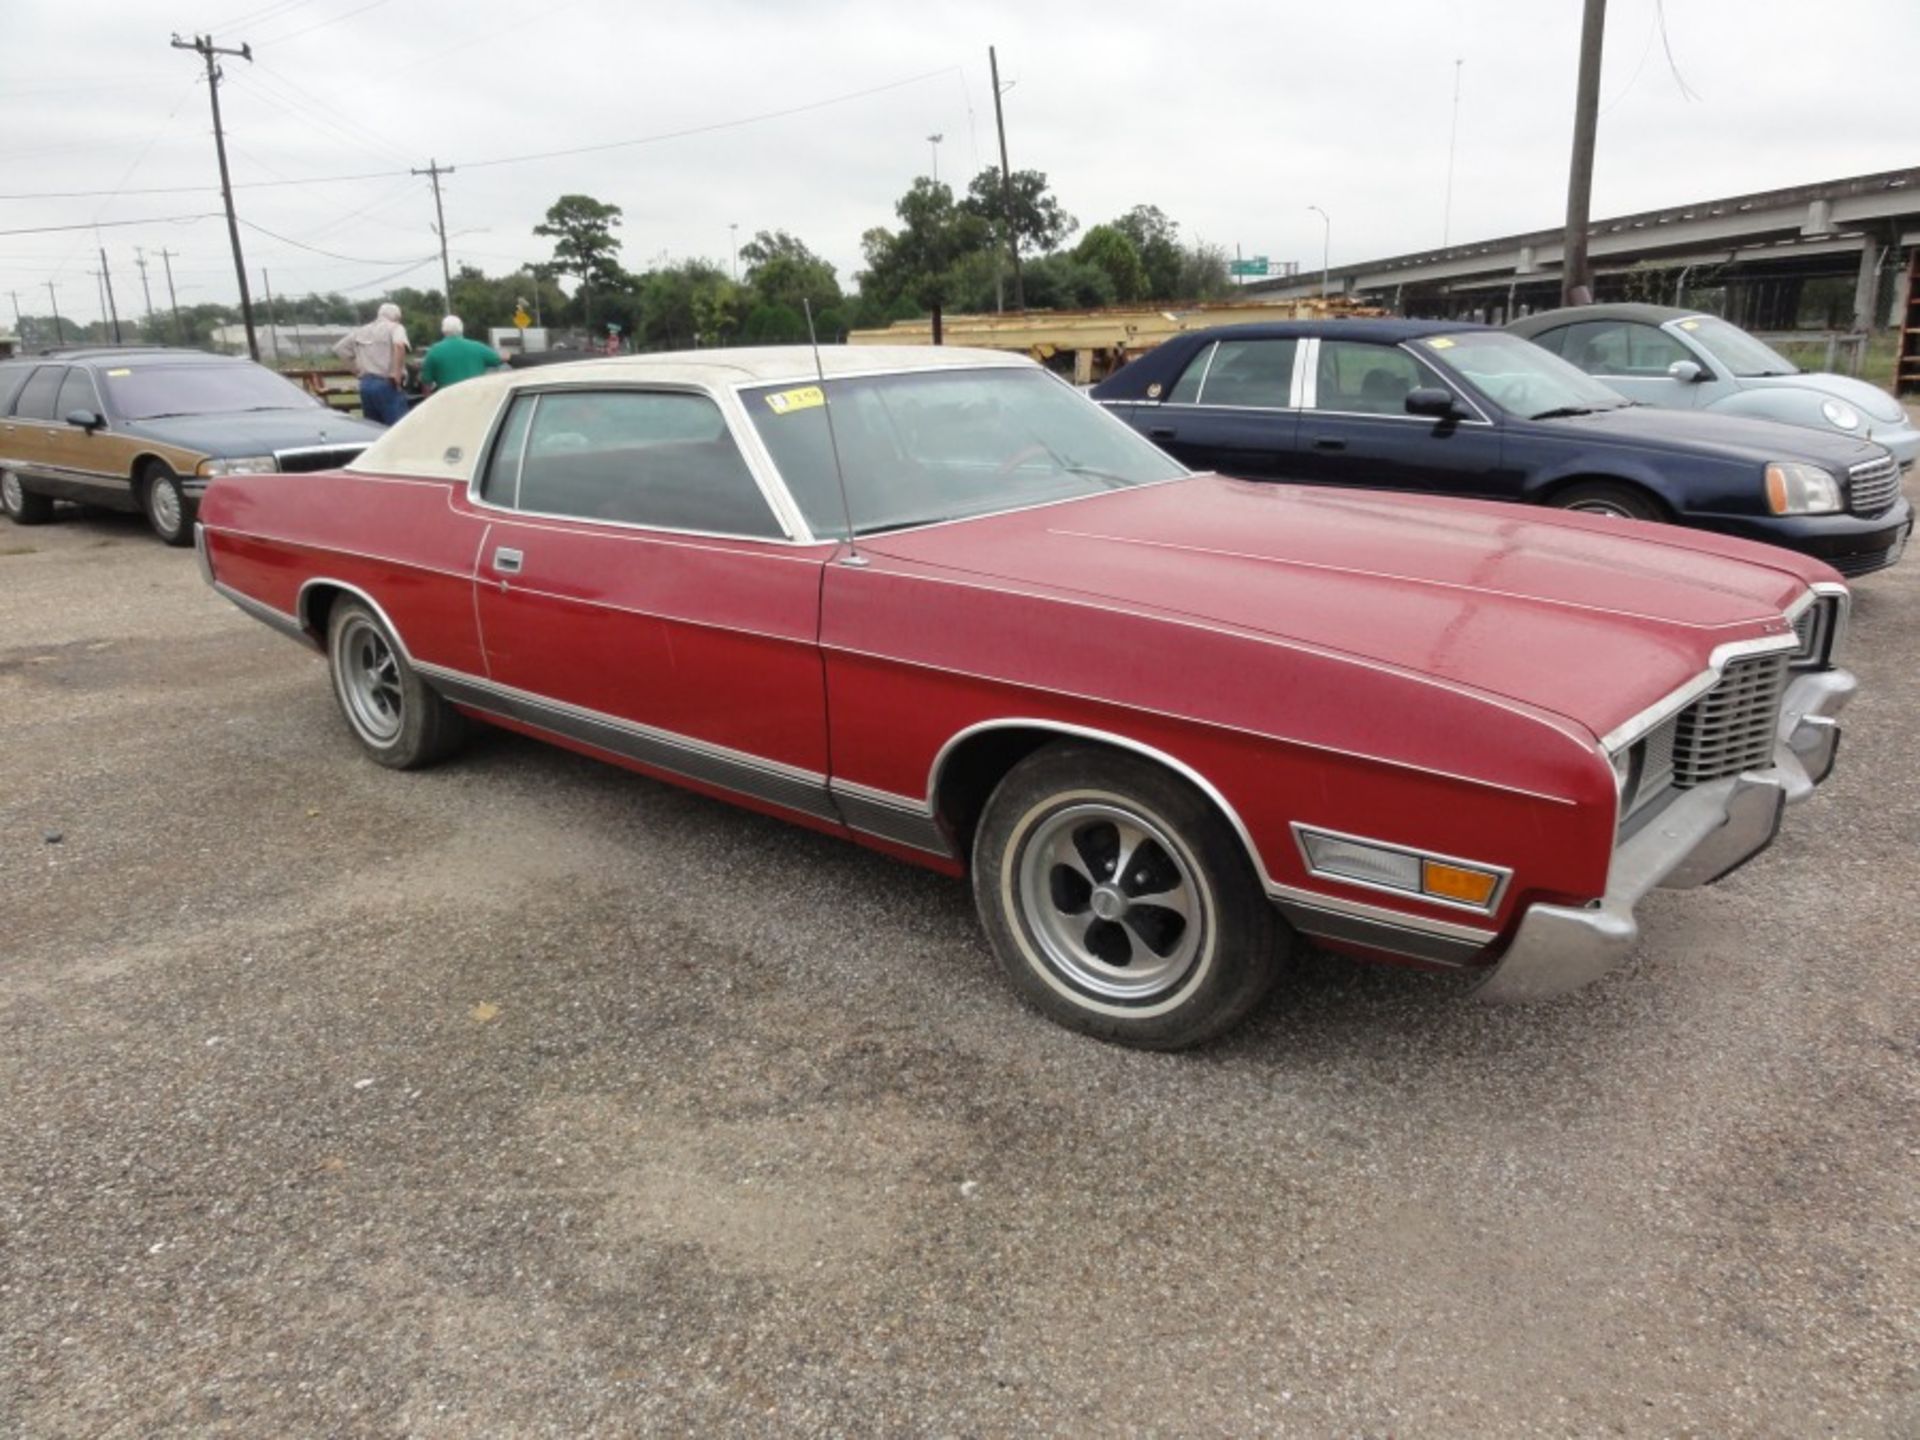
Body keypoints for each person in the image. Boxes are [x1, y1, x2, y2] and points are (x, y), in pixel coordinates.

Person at [332, 302, 410, 424]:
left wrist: (356, 371)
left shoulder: (361, 331)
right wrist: (397, 374)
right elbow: (400, 345)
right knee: (398, 428)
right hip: (388, 383)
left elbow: (339, 349)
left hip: (366, 385)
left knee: (374, 428)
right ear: (396, 317)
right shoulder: (395, 327)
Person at [419, 315, 507, 395]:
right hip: (476, 398)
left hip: (447, 401)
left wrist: (428, 400)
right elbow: (499, 359)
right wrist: (511, 356)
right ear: (462, 328)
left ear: (443, 330)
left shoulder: (434, 351)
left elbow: (426, 383)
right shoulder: (477, 347)